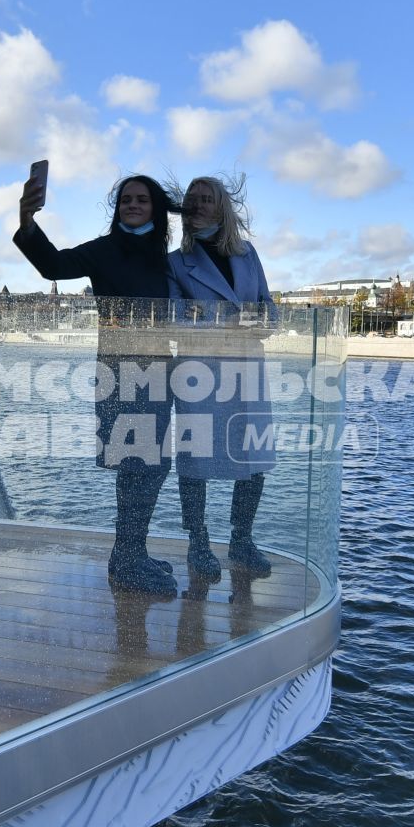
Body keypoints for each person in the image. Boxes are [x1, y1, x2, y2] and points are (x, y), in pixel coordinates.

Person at [14, 172, 181, 596]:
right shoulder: (105, 250)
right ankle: (125, 561)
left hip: (159, 376)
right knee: (134, 469)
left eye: (142, 199)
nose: (132, 205)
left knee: (152, 468)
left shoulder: (169, 257)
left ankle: (132, 553)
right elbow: (52, 264)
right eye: (126, 199)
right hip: (119, 375)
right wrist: (27, 220)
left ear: (156, 209)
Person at [167, 173, 274, 580]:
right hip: (201, 372)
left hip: (247, 368)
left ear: (222, 207)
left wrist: (254, 321)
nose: (197, 205)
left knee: (254, 459)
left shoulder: (248, 254)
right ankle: (198, 543)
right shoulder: (176, 262)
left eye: (206, 198)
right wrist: (233, 320)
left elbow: (269, 308)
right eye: (192, 199)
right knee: (195, 462)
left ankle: (242, 541)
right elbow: (175, 319)